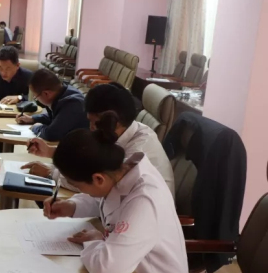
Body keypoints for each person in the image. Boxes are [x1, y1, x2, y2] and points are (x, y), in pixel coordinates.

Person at [22, 120, 191, 273]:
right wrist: (71, 205)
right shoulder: (123, 172)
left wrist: (94, 240)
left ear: (98, 178)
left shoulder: (145, 199)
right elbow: (103, 198)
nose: (79, 189)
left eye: (77, 185)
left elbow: (107, 269)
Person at [23, 82, 175, 194]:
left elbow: (101, 187)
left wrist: (52, 173)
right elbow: (91, 161)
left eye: (94, 123)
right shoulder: (124, 131)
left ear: (113, 120)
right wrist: (51, 152)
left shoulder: (138, 153)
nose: (91, 128)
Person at [15, 68, 88, 142]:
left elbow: (51, 134)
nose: (36, 99)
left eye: (36, 96)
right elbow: (57, 117)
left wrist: (36, 127)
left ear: (46, 93)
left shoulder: (73, 104)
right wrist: (33, 119)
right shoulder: (64, 92)